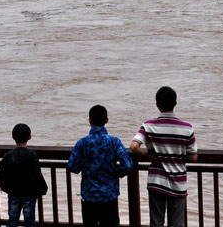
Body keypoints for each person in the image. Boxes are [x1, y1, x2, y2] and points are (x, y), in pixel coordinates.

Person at [130, 86, 198, 227]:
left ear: (157, 104)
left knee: (156, 223)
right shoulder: (187, 128)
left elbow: (134, 146)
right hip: (178, 182)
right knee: (177, 224)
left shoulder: (148, 126)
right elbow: (193, 158)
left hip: (156, 182)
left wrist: (149, 156)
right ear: (175, 103)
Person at [67, 105, 133, 227]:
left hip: (89, 197)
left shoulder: (82, 142)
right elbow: (128, 165)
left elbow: (72, 166)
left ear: (89, 120)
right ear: (106, 120)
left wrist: (86, 167)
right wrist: (116, 172)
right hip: (109, 196)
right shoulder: (114, 142)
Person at [0, 123, 48, 227]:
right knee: (29, 220)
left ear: (13, 137)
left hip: (13, 193)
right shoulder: (32, 155)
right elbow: (37, 174)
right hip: (29, 193)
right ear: (29, 137)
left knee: (12, 218)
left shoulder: (8, 155)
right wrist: (43, 188)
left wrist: (5, 187)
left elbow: (0, 173)